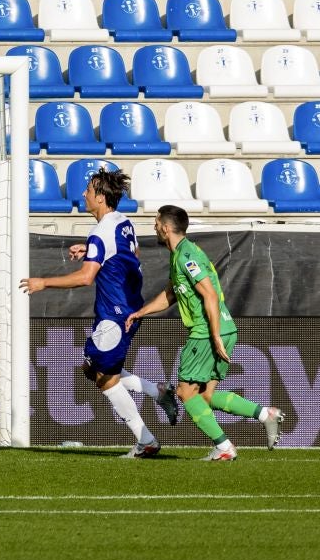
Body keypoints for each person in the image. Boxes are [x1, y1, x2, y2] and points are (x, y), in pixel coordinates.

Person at [21, 169, 178, 458]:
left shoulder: (101, 231)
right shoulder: (122, 223)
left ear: (102, 198)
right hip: (125, 307)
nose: (84, 194)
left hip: (115, 314)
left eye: (89, 191)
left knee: (106, 379)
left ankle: (146, 440)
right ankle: (159, 392)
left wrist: (43, 282)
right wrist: (93, 251)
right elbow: (130, 257)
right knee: (91, 369)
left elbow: (85, 278)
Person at [126, 206, 284, 460]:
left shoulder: (187, 255)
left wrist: (215, 336)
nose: (154, 226)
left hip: (207, 332)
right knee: (205, 396)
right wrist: (140, 312)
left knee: (185, 393)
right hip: (223, 328)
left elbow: (209, 294)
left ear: (166, 228)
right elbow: (170, 295)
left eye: (156, 222)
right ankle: (265, 414)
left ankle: (224, 448)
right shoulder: (179, 254)